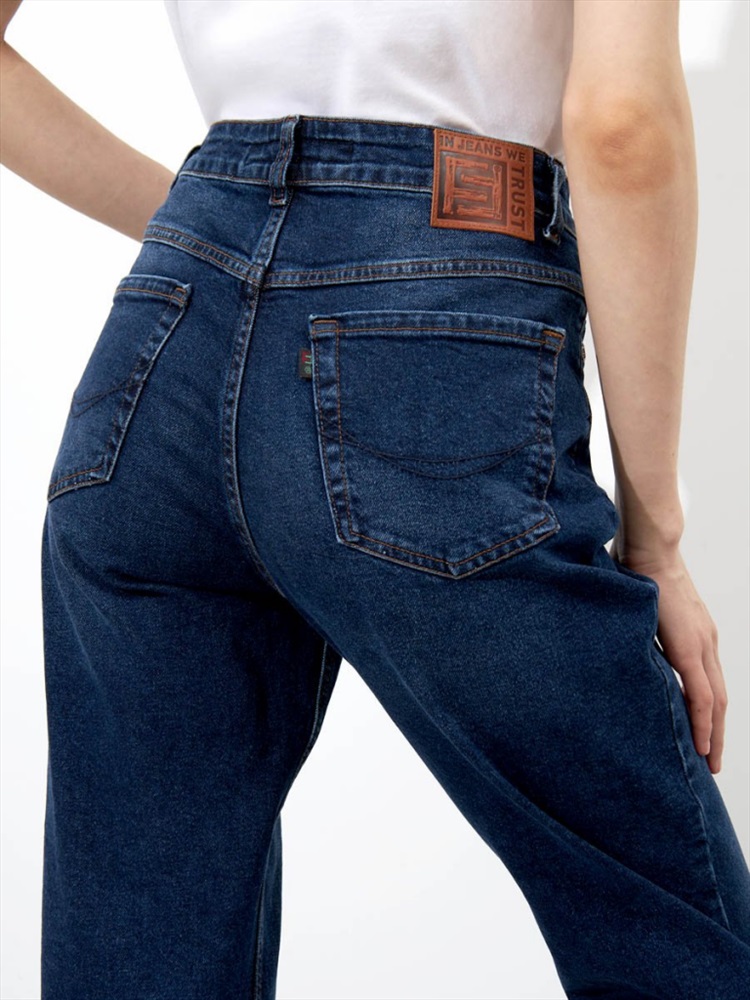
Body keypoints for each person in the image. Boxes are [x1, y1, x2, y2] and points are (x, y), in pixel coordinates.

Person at [2, 0, 749, 996]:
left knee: (139, 954)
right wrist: (655, 539)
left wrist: (216, 234)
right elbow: (622, 124)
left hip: (160, 357)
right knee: (678, 935)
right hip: (440, 307)